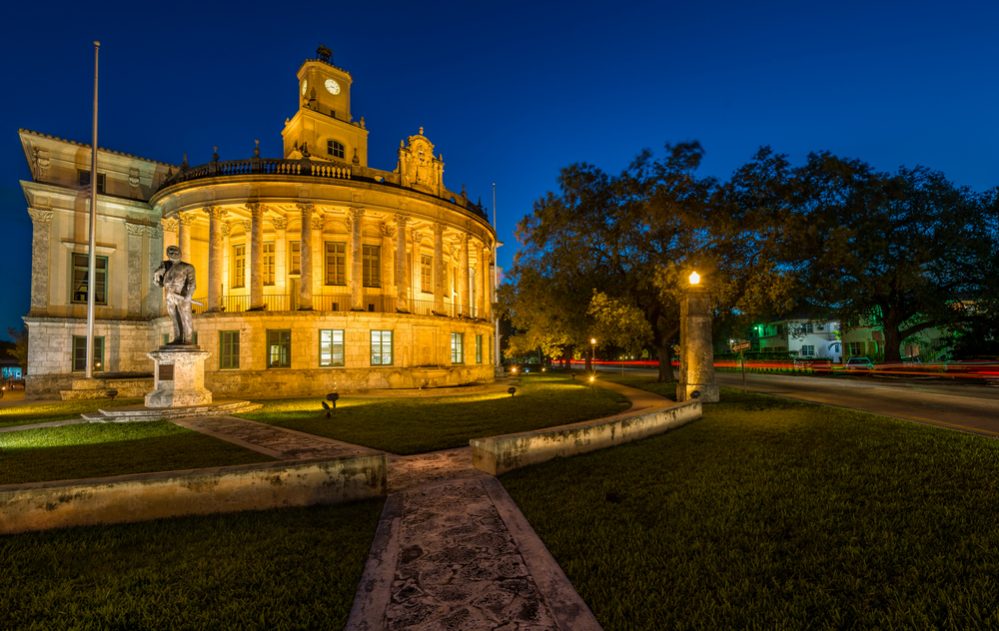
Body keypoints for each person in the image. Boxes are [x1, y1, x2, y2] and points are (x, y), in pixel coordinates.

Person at [153, 245, 196, 345]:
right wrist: (156, 277)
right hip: (169, 295)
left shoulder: (187, 267)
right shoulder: (165, 266)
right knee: (174, 317)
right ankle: (178, 338)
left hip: (182, 294)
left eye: (176, 252)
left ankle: (188, 339)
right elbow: (160, 284)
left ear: (180, 253)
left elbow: (192, 283)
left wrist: (189, 295)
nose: (174, 254)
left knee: (186, 317)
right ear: (168, 254)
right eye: (171, 252)